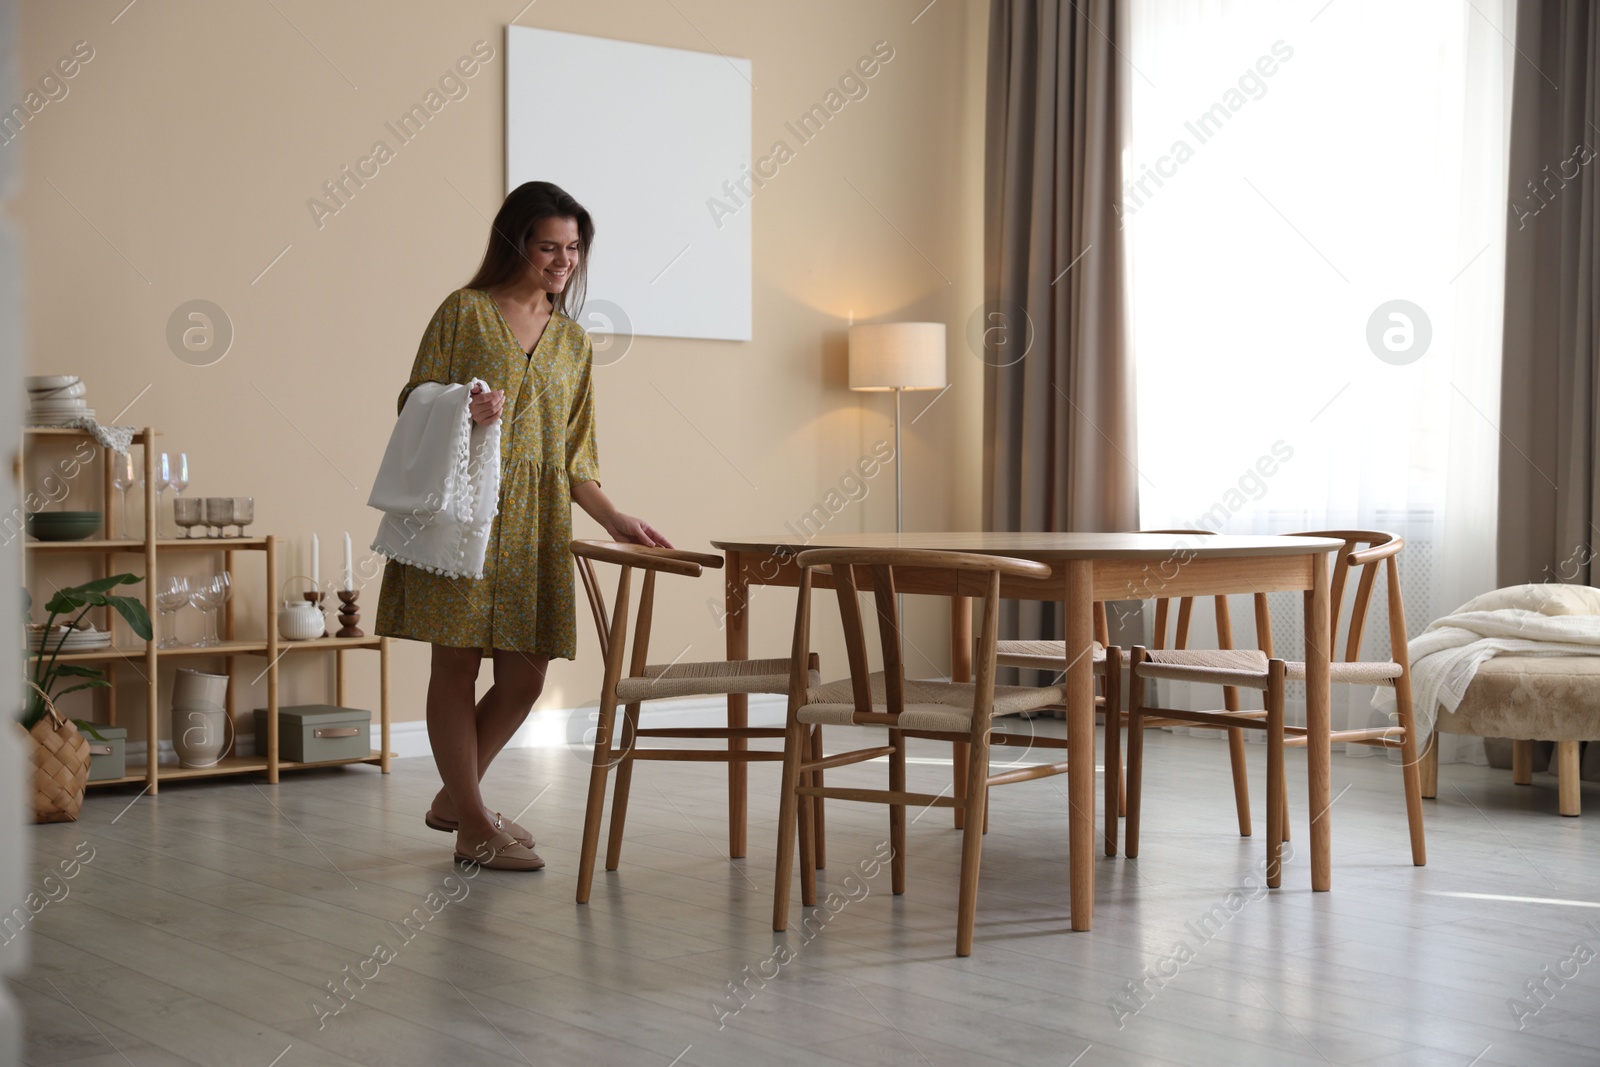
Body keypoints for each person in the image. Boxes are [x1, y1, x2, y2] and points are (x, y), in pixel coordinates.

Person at [375, 180, 670, 871]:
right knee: (456, 661)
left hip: (535, 526)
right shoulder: (465, 312)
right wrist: (461, 408)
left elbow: (575, 458)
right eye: (549, 246)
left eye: (573, 248)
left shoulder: (572, 342)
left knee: (526, 675)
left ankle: (456, 799)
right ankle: (474, 823)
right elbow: (411, 399)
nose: (563, 260)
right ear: (518, 242)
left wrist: (615, 516)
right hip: (463, 515)